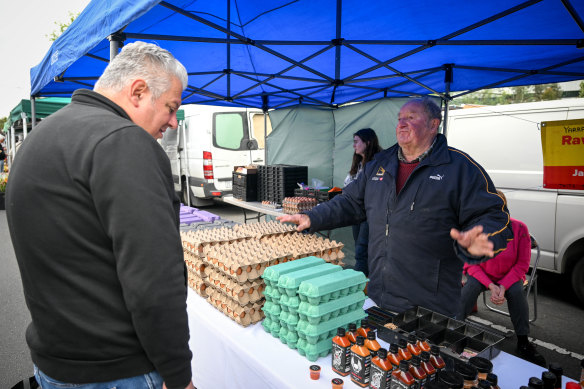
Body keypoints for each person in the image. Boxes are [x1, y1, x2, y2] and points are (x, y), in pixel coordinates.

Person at [6, 42, 195, 389]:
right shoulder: (125, 142)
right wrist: (179, 376)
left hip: (56, 363)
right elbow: (154, 280)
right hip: (117, 370)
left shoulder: (40, 137)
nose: (172, 122)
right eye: (171, 107)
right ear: (138, 92)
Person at [278, 97, 513, 317]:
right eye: (400, 118)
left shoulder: (460, 168)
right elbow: (350, 202)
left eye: (411, 117)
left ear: (434, 125)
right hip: (380, 293)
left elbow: (494, 216)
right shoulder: (380, 164)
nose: (402, 123)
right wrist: (312, 217)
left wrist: (482, 237)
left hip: (431, 303)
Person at [457, 190, 546, 366]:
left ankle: (523, 341)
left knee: (517, 292)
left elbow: (522, 264)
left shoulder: (520, 228)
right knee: (469, 289)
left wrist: (503, 286)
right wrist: (491, 285)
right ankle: (455, 329)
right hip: (483, 275)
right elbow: (470, 264)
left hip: (510, 277)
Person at [344, 128, 382, 276]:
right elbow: (349, 183)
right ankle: (363, 277)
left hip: (370, 213)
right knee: (359, 246)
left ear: (367, 142)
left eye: (356, 142)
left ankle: (360, 281)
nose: (354, 146)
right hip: (357, 212)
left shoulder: (379, 162)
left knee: (362, 248)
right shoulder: (359, 162)